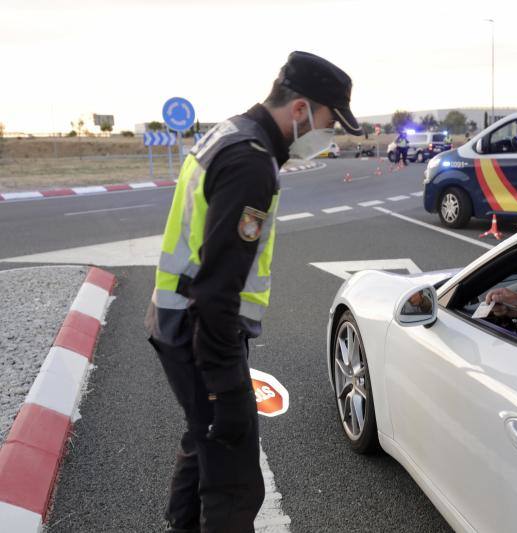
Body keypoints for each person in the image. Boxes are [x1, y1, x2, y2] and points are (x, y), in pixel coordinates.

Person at [145, 51, 363, 533]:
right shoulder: (250, 161)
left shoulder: (228, 133)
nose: (330, 135)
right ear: (302, 109)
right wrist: (227, 388)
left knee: (203, 443)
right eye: (330, 121)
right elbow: (217, 288)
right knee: (236, 482)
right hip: (200, 332)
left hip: (175, 318)